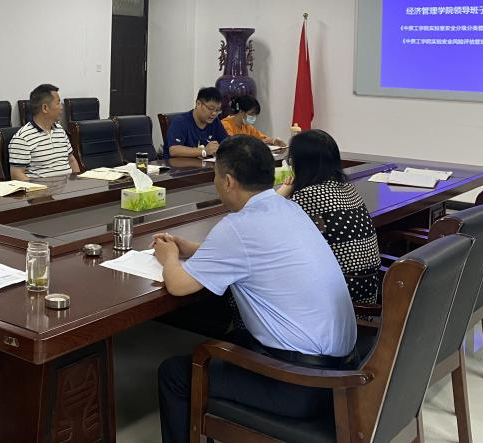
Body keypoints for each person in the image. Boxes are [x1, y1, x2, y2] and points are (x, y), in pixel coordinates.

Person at [152, 135, 357, 443]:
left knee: (175, 374)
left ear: (228, 181)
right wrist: (192, 249)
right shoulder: (288, 208)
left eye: (215, 176)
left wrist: (169, 257)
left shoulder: (237, 226)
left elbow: (179, 286)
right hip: (341, 373)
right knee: (231, 338)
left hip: (299, 383)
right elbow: (248, 251)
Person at [277, 129, 381, 305]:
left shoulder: (307, 195)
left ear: (301, 163)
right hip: (367, 290)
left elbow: (265, 221)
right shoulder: (348, 188)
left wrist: (282, 192)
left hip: (339, 298)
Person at [7, 84, 80, 180]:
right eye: (58, 103)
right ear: (45, 108)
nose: (61, 107)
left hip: (68, 187)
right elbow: (16, 174)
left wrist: (77, 183)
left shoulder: (60, 130)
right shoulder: (22, 138)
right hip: (43, 188)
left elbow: (71, 160)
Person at [163, 87, 228, 159]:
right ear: (198, 104)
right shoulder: (180, 121)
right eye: (211, 108)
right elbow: (174, 150)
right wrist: (204, 151)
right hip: (178, 165)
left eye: (218, 110)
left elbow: (227, 144)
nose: (214, 113)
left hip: (204, 165)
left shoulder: (215, 122)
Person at [221, 94, 286, 147]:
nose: (253, 117)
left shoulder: (248, 127)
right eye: (251, 114)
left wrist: (274, 142)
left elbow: (263, 138)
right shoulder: (225, 125)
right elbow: (233, 145)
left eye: (255, 115)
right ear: (241, 111)